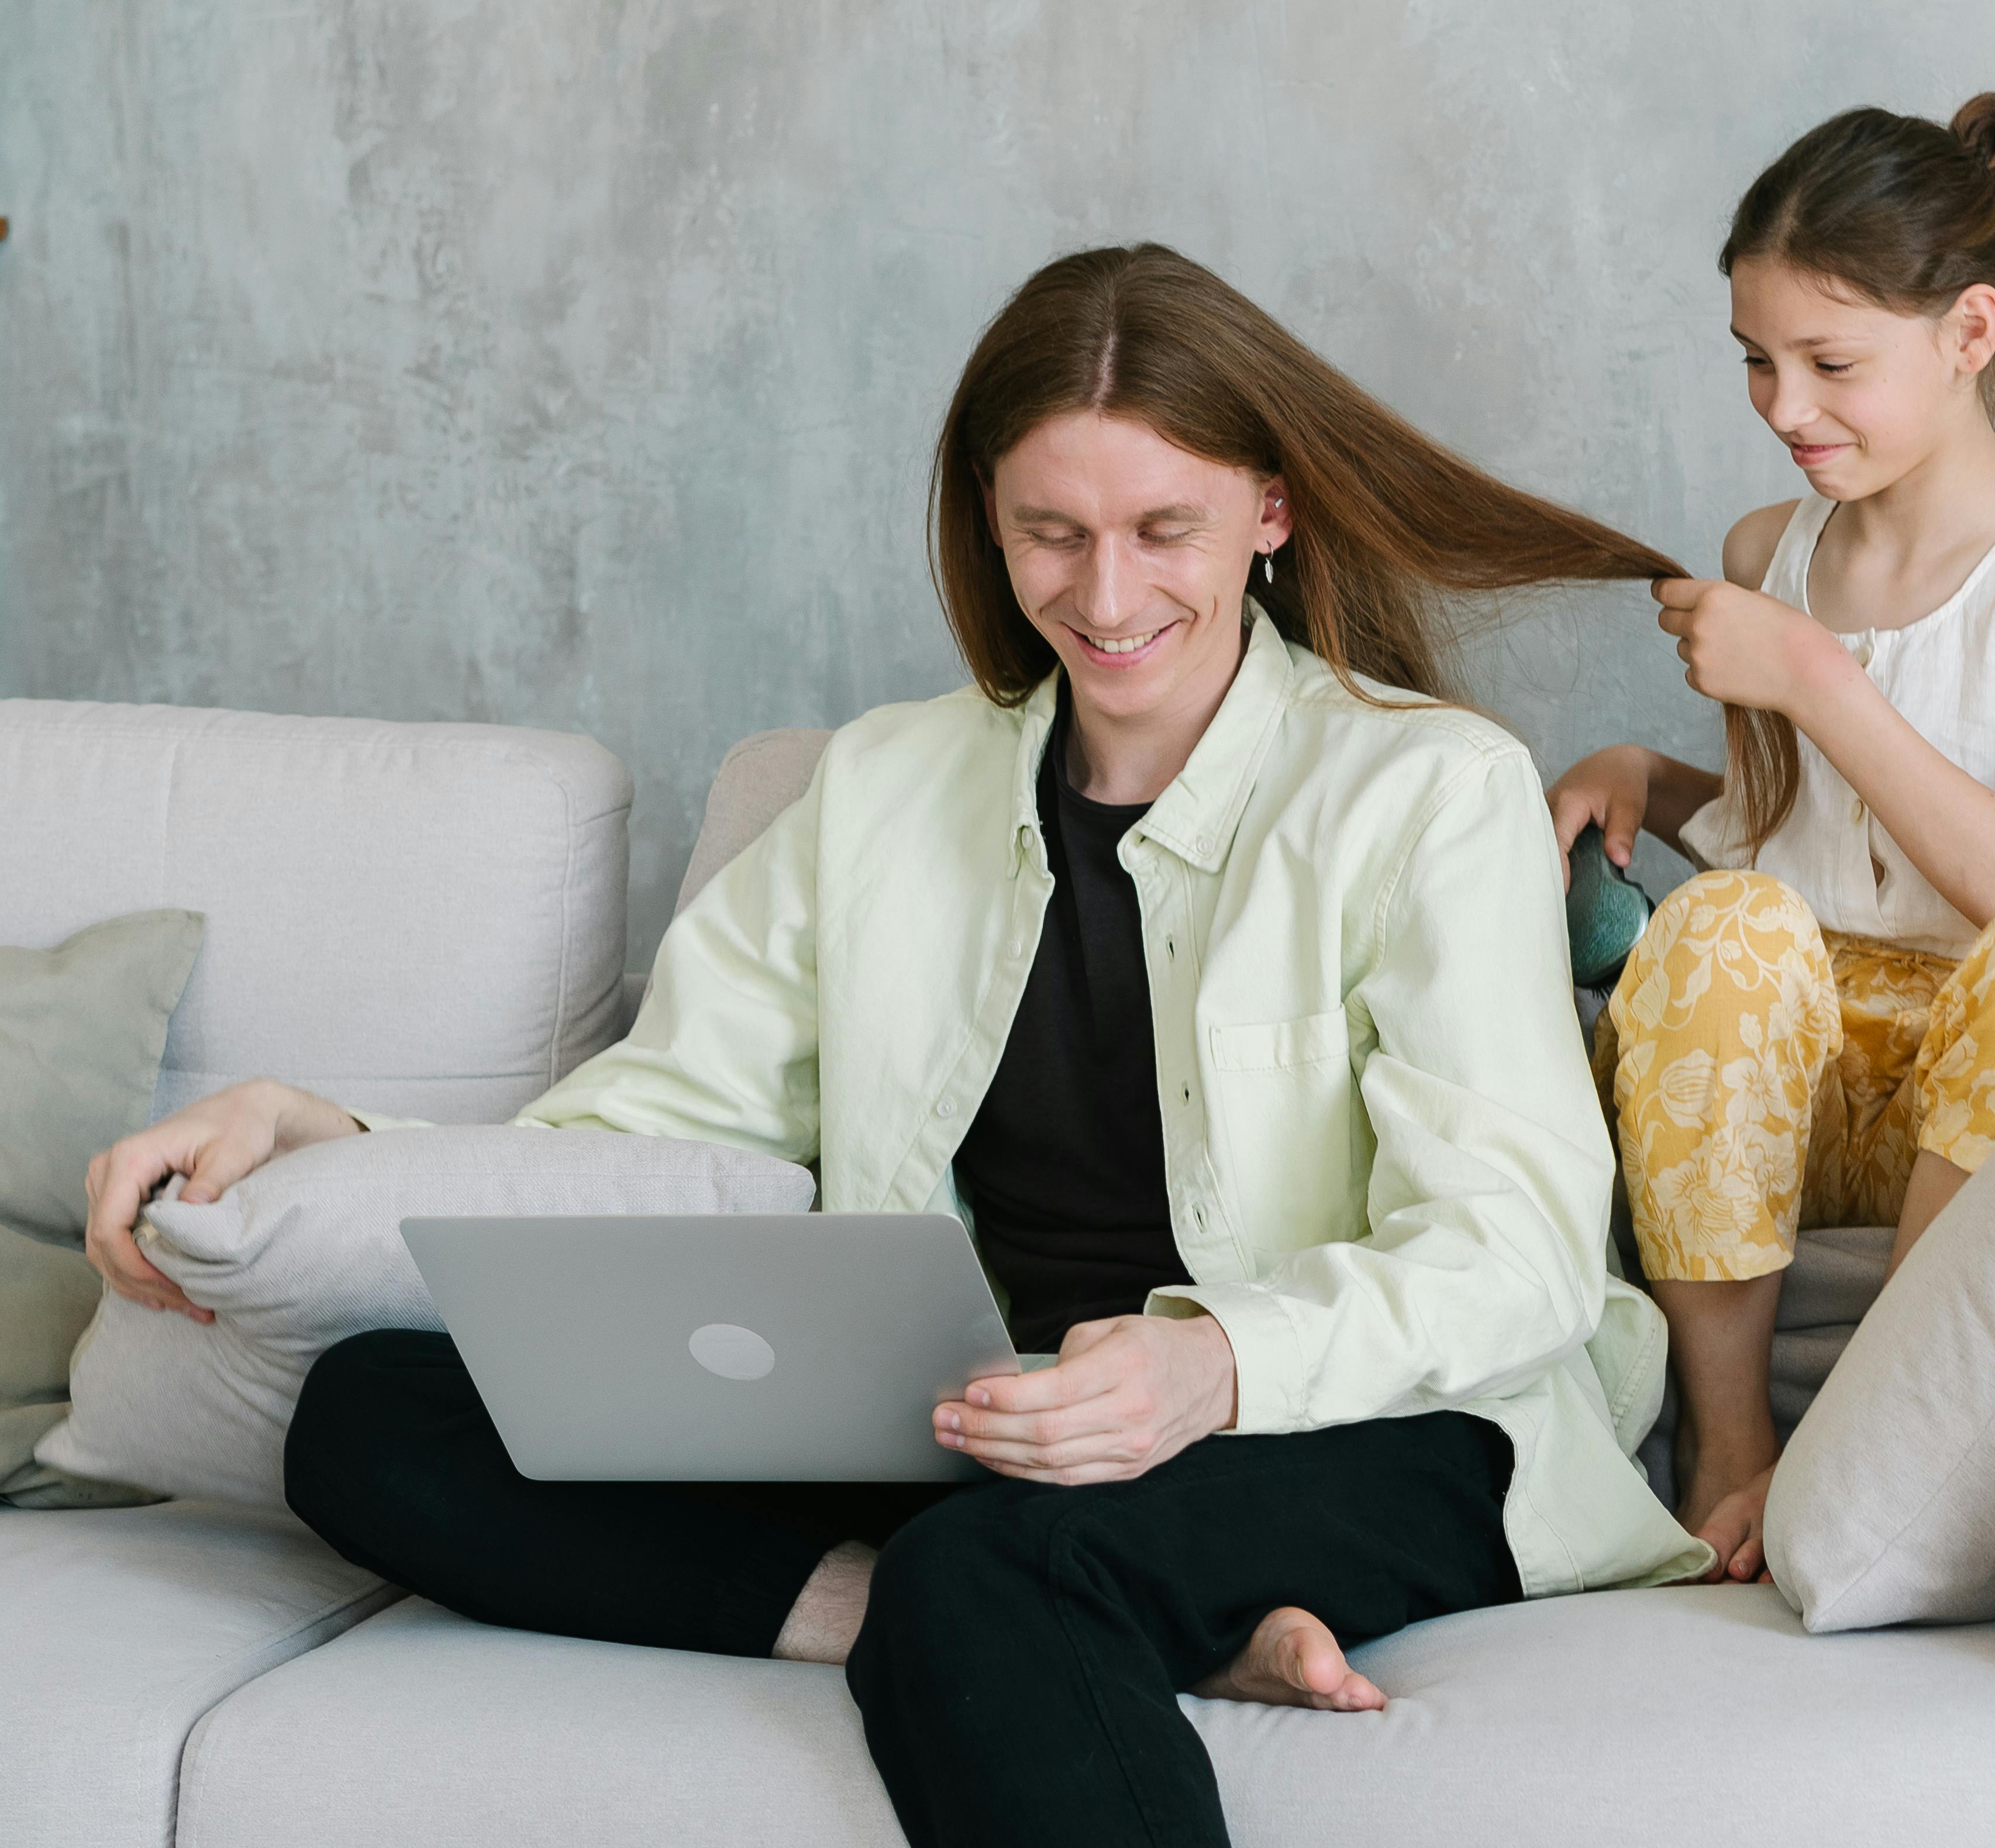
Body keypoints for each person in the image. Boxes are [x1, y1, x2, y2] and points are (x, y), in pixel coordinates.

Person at [81, 244, 1709, 1848]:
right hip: (976, 1434)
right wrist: (326, 1135)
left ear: (1269, 514)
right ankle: (1027, 1624)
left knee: (998, 1570)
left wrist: (1212, 1364)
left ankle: (1025, 1609)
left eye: (1165, 531)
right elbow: (649, 1137)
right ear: (989, 529)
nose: (1109, 592)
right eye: (1051, 535)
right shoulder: (880, 788)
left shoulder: (1427, 789)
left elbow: (1519, 1253)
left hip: (1364, 1426)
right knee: (374, 1415)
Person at [1546, 93, 1995, 1579]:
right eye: (1757, 361)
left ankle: (1875, 1433)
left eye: (1831, 363)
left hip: (1989, 1065)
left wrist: (1815, 676)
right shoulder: (1774, 551)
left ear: (1968, 333)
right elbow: (1804, 830)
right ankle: (1727, 1439)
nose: (1783, 404)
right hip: (1806, 1065)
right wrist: (1655, 770)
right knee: (1722, 921)